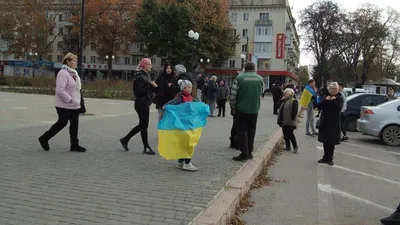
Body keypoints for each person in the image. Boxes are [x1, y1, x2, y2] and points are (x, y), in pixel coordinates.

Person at [38, 52, 86, 152]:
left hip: (74, 105)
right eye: (73, 60)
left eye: (75, 60)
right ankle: (44, 138)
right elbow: (60, 90)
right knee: (62, 123)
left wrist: (76, 101)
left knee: (74, 125)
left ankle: (74, 145)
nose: (75, 62)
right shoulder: (63, 73)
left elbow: (76, 88)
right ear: (67, 61)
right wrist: (70, 99)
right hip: (64, 105)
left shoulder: (74, 72)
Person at [120, 58, 158, 155]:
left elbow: (148, 89)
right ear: (144, 65)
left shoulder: (146, 75)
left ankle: (125, 139)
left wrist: (153, 87)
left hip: (145, 103)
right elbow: (138, 92)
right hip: (141, 103)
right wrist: (150, 86)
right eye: (149, 64)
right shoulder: (140, 77)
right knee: (143, 126)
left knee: (142, 125)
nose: (151, 66)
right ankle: (146, 147)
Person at [230, 62, 264, 161]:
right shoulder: (260, 79)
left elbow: (233, 95)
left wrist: (233, 107)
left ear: (245, 68)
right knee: (251, 130)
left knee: (242, 130)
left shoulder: (239, 78)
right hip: (254, 109)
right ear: (254, 69)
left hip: (242, 109)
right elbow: (261, 92)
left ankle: (244, 153)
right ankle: (249, 152)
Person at [163, 79, 199, 171]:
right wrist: (166, 106)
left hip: (188, 124)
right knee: (189, 144)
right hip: (182, 125)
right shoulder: (180, 97)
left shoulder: (190, 98)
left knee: (184, 144)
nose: (190, 89)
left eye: (191, 87)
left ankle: (180, 162)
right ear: (183, 88)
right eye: (188, 87)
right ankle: (187, 163)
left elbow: (196, 104)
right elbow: (172, 102)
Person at [317, 82, 344, 166]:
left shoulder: (339, 97)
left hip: (334, 123)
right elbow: (319, 106)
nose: (334, 90)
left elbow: (339, 108)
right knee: (325, 140)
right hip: (325, 122)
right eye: (332, 89)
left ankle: (330, 158)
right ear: (329, 89)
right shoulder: (326, 96)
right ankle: (325, 157)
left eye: (335, 89)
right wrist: (326, 100)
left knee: (331, 142)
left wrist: (333, 100)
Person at [277, 88, 299, 153]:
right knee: (285, 134)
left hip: (290, 121)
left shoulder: (293, 101)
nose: (284, 95)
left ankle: (295, 147)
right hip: (284, 121)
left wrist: (291, 118)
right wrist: (281, 100)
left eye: (285, 93)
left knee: (290, 134)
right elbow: (277, 106)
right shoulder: (284, 100)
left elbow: (295, 111)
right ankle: (288, 146)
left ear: (289, 94)